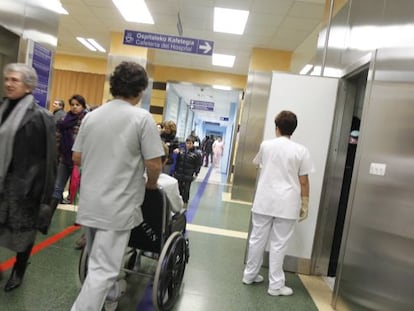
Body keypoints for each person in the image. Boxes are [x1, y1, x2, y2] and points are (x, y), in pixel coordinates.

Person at [70, 61, 164, 311]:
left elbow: (76, 157)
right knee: (104, 269)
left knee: (97, 258)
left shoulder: (92, 116)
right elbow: (154, 164)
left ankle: (111, 297)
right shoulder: (142, 118)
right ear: (140, 90)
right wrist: (151, 185)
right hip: (117, 204)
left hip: (90, 201)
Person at [242, 110, 314, 297]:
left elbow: (259, 165)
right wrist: (305, 203)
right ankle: (275, 286)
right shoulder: (301, 151)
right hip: (287, 203)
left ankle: (249, 275)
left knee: (257, 239)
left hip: (264, 200)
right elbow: (304, 181)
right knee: (279, 244)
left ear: (277, 128)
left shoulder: (266, 145)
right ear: (293, 129)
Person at [0, 63, 56, 291]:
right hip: (2, 178)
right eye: (7, 79)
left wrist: (45, 196)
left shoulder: (41, 117)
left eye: (15, 80)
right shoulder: (2, 109)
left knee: (23, 230)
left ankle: (19, 270)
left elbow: (50, 158)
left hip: (24, 184)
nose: (9, 84)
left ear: (29, 86)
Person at [52, 94, 88, 206]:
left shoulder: (87, 120)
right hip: (65, 158)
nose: (75, 107)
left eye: (78, 105)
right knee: (57, 187)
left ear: (83, 106)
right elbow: (57, 139)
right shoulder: (64, 120)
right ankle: (48, 216)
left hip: (81, 161)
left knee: (80, 190)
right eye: (72, 105)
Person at [173, 136, 202, 208]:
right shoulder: (182, 151)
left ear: (193, 144)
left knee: (186, 189)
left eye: (190, 143)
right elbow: (178, 162)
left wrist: (196, 173)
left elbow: (198, 165)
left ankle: (185, 202)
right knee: (179, 188)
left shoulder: (196, 154)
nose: (188, 145)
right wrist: (175, 171)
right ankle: (178, 202)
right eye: (187, 143)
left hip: (188, 175)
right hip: (179, 173)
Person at [157, 143, 184, 214]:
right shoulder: (170, 183)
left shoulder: (133, 180)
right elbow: (177, 207)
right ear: (165, 161)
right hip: (159, 223)